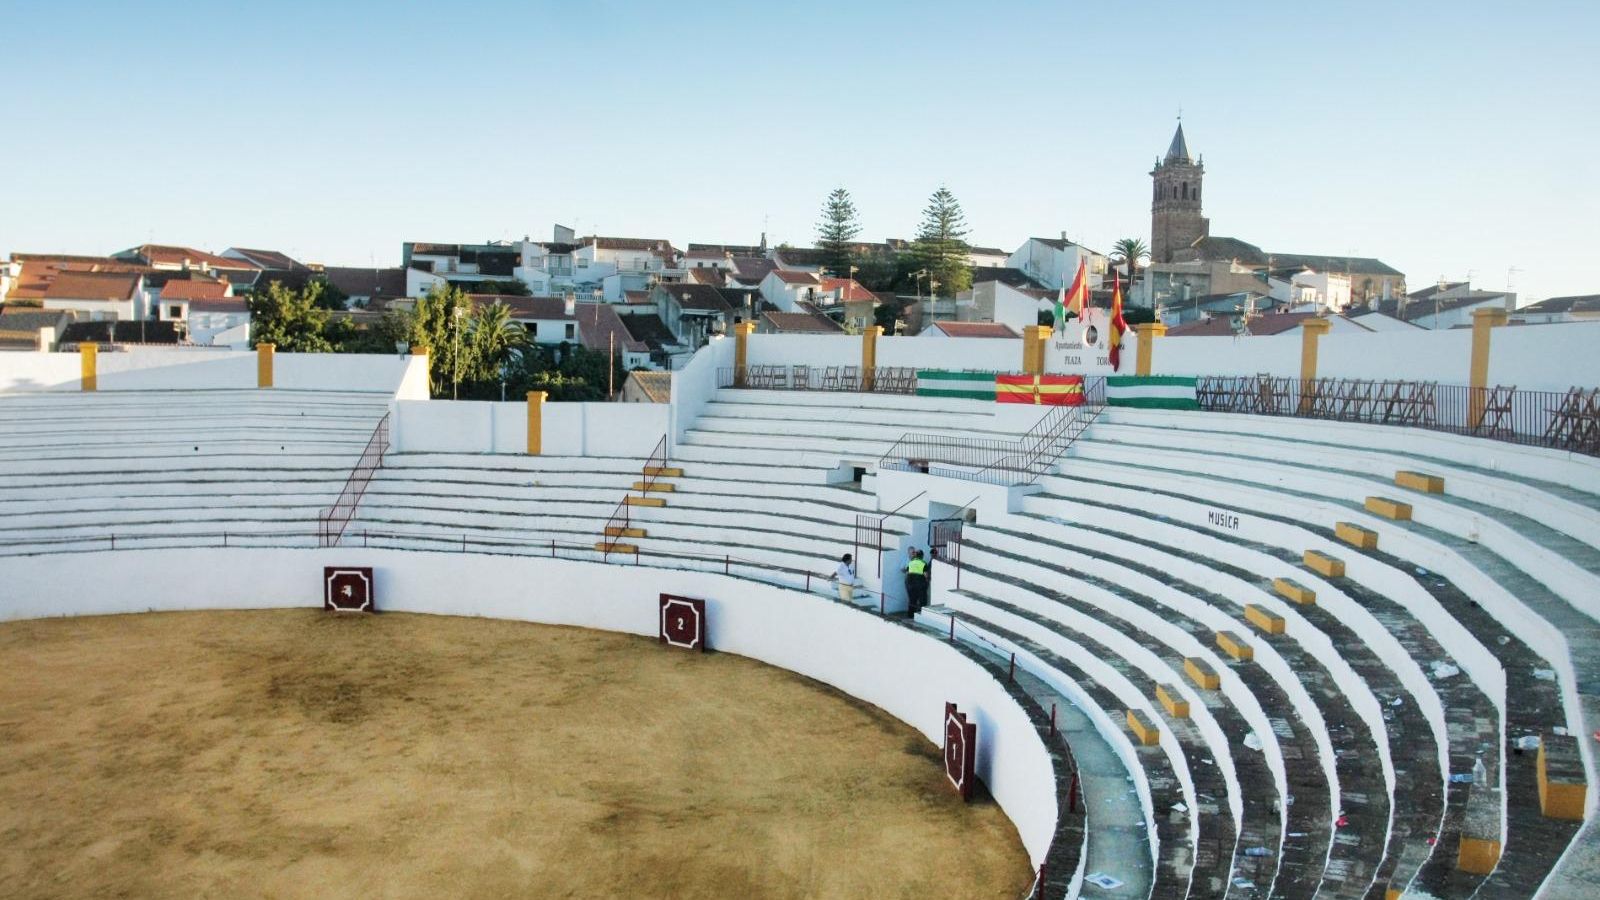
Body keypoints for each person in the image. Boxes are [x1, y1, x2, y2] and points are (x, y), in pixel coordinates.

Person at [904, 548, 929, 615]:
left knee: (912, 600)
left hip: (910, 583)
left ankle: (910, 615)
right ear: (922, 556)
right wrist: (927, 580)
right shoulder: (923, 563)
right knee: (922, 600)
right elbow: (926, 574)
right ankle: (921, 614)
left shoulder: (911, 562)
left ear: (916, 555)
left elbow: (907, 573)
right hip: (919, 583)